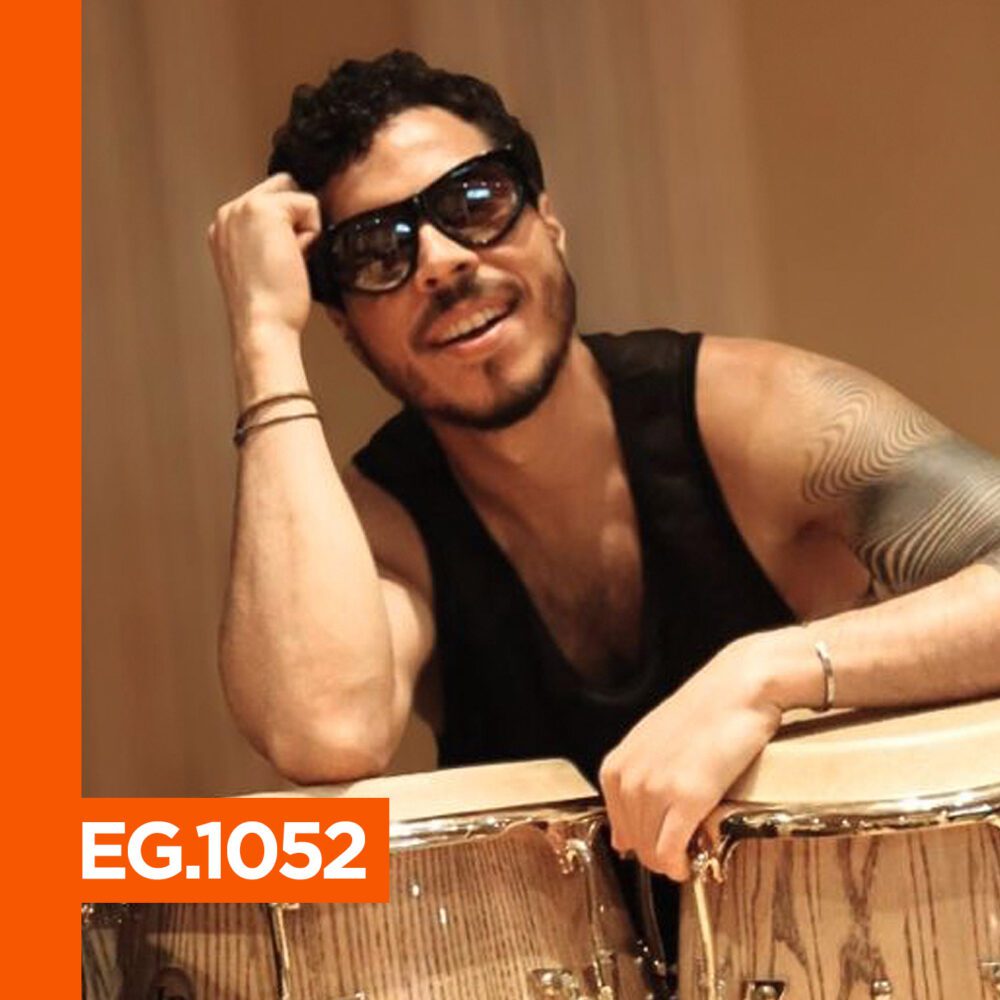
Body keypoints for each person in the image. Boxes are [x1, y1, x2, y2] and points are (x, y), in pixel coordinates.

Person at [208, 51, 1000, 889]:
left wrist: (770, 672)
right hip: (551, 958)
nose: (439, 260)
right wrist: (263, 338)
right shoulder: (382, 528)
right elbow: (327, 731)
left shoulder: (758, 417)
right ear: (345, 324)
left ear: (549, 221)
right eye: (376, 251)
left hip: (848, 932)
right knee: (190, 876)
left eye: (475, 201)